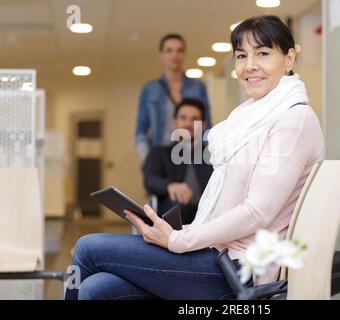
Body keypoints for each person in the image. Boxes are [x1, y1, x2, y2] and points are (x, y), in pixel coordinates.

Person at [65, 15, 325, 300]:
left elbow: (256, 212)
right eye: (241, 55)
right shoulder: (251, 119)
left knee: (88, 247)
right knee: (95, 288)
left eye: (263, 53)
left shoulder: (293, 120)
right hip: (218, 253)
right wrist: (183, 231)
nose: (249, 65)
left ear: (288, 60)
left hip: (238, 268)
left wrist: (179, 239)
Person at [134, 33, 212, 162]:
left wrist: (208, 157)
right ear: (161, 55)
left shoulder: (198, 87)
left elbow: (206, 124)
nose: (174, 55)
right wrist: (147, 160)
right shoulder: (150, 89)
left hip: (192, 155)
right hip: (160, 155)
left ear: (184, 54)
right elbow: (140, 129)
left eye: (179, 50)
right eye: (169, 50)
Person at [142, 98, 213, 225]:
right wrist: (170, 185)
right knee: (177, 205)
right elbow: (150, 180)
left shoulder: (214, 155)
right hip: (175, 212)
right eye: (183, 118)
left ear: (203, 125)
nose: (188, 124)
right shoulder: (159, 153)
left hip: (208, 214)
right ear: (175, 123)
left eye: (194, 119)